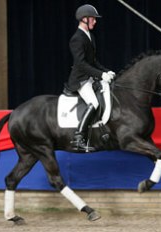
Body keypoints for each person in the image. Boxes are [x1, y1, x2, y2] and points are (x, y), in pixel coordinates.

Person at [66, 4, 115, 152]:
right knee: (94, 103)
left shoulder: (90, 36)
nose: (95, 21)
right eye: (93, 19)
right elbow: (81, 64)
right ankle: (78, 138)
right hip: (80, 79)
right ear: (84, 19)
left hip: (90, 77)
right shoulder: (77, 38)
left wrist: (107, 71)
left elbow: (93, 62)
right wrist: (101, 75)